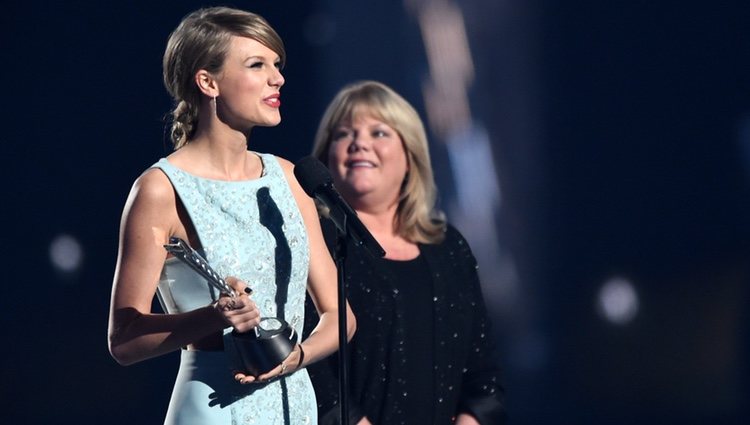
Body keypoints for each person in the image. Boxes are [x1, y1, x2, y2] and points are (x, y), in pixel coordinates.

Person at [107, 7, 355, 424]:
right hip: (214, 405)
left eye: (277, 65)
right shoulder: (159, 188)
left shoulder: (289, 179)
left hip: (293, 403)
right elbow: (124, 340)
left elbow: (339, 315)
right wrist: (214, 315)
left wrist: (296, 358)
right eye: (257, 65)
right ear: (208, 81)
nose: (277, 78)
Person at [303, 80, 506, 424]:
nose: (359, 144)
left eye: (379, 133)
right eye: (343, 134)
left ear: (410, 158)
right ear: (325, 159)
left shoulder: (449, 247)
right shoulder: (314, 243)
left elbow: (483, 377)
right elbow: (311, 375)